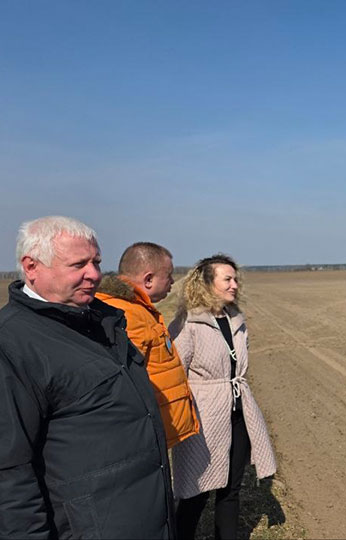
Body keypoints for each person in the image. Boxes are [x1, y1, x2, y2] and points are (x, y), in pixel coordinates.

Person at [0, 216, 175, 538]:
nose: (94, 274)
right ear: (31, 267)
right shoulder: (12, 345)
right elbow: (9, 473)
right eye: (78, 264)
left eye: (96, 262)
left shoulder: (105, 323)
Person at [169, 254, 276, 540]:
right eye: (227, 279)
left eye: (235, 279)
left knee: (231, 490)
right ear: (206, 283)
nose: (234, 285)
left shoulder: (236, 320)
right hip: (202, 418)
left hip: (238, 414)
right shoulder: (187, 324)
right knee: (196, 491)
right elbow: (174, 373)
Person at [96, 242, 199, 448]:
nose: (172, 281)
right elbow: (123, 385)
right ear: (149, 279)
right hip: (142, 437)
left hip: (150, 433)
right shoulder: (126, 315)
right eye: (168, 275)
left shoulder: (137, 309)